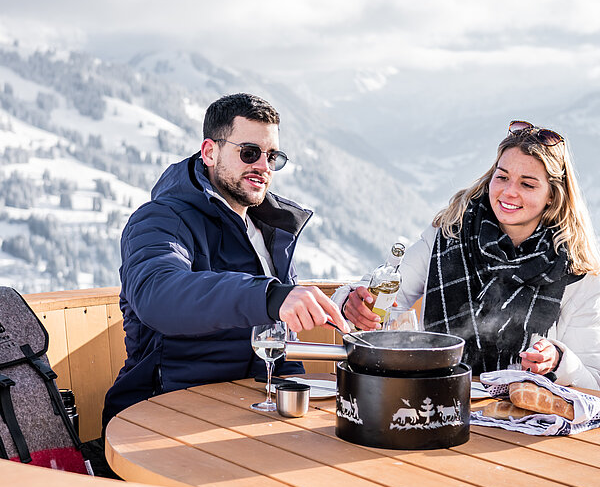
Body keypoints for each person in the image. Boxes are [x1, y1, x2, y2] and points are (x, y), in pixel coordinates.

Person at [102, 93, 348, 428]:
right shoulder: (160, 219)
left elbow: (278, 339)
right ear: (209, 152)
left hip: (250, 412)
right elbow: (157, 294)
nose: (263, 166)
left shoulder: (268, 231)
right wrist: (269, 296)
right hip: (162, 414)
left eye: (272, 156)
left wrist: (339, 309)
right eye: (249, 153)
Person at [336, 120, 600, 390]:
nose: (509, 192)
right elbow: (384, 295)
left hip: (521, 422)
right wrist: (351, 303)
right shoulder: (450, 233)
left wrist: (558, 362)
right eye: (502, 177)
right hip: (433, 399)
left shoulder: (578, 273)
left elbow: (593, 382)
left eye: (528, 184)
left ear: (552, 197)